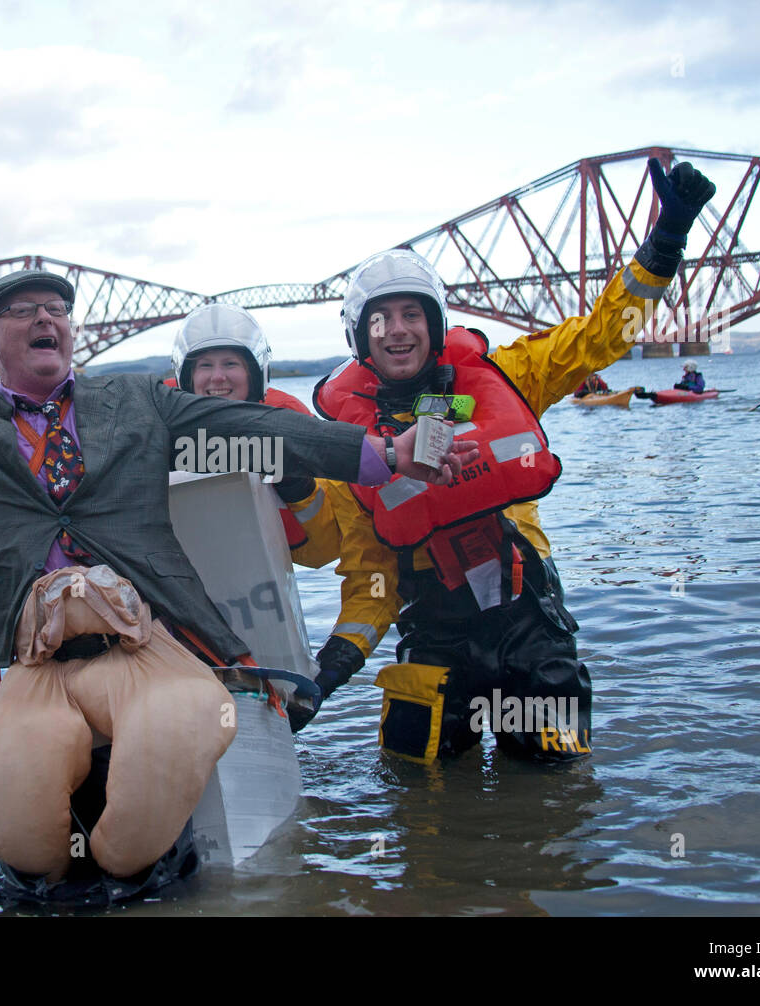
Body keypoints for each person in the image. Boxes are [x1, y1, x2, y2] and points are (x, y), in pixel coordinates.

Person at [0, 196, 476, 888]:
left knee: (184, 725)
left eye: (56, 311)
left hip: (144, 646)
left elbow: (257, 430)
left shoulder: (141, 402)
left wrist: (383, 456)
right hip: (36, 659)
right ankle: (59, 867)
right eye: (25, 312)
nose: (46, 320)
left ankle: (132, 870)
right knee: (22, 826)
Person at [304, 157, 716, 762]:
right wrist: (328, 671)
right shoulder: (352, 445)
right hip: (435, 636)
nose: (398, 331)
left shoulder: (510, 376)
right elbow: (369, 575)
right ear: (359, 336)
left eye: (412, 314)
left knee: (558, 789)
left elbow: (605, 334)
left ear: (436, 323)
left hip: (530, 624)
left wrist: (665, 243)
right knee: (417, 783)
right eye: (381, 319)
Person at [169, 302, 338, 568]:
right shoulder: (156, 429)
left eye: (230, 363)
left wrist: (295, 484)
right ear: (186, 377)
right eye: (204, 365)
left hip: (261, 591)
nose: (218, 377)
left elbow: (323, 552)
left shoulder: (289, 425)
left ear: (256, 373)